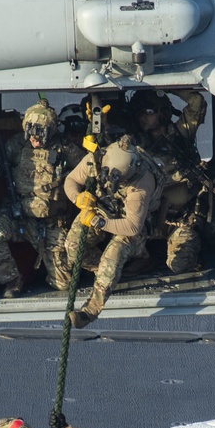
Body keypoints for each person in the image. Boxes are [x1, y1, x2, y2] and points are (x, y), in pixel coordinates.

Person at [0, 99, 85, 297]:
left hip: (53, 222)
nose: (35, 139)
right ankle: (12, 280)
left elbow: (88, 169)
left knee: (63, 285)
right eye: (31, 133)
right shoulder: (18, 145)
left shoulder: (65, 149)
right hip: (20, 215)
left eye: (40, 134)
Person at [62, 135, 165, 328]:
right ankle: (106, 273)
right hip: (104, 207)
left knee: (113, 256)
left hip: (133, 221)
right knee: (74, 247)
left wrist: (97, 221)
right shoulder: (98, 159)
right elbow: (71, 180)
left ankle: (90, 311)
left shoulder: (141, 183)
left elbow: (132, 226)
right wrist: (78, 198)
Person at [129, 89, 209, 274]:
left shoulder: (181, 134)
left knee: (180, 265)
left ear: (164, 113)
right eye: (140, 113)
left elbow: (197, 102)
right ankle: (145, 258)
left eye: (148, 112)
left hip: (178, 219)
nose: (143, 118)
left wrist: (162, 87)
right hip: (145, 219)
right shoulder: (137, 142)